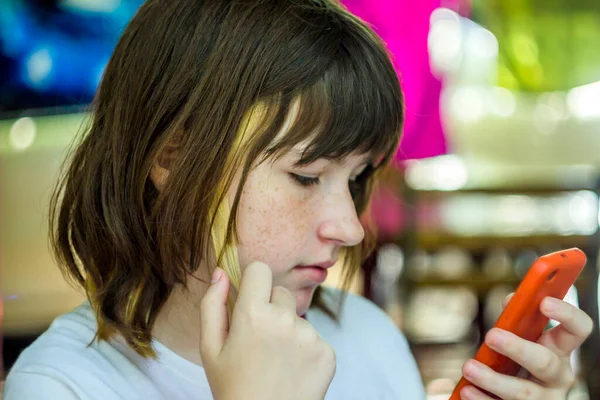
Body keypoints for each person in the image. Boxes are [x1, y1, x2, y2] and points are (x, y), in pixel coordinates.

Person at [2, 1, 593, 399]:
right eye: (306, 176)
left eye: (356, 178)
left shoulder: (363, 333)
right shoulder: (62, 385)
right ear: (171, 158)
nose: (350, 228)